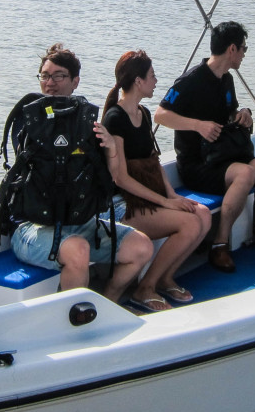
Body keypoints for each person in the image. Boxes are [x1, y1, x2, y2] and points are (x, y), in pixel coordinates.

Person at [10, 44, 155, 305]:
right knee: (78, 250)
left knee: (141, 247)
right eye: (45, 75)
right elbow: (33, 161)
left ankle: (107, 303)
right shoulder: (30, 120)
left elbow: (112, 178)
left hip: (81, 223)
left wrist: (109, 148)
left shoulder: (87, 124)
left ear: (75, 81)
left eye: (58, 76)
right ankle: (73, 320)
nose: (50, 82)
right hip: (34, 227)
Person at [154, 21, 255, 273]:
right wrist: (197, 125)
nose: (244, 54)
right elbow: (160, 115)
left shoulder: (227, 80)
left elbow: (228, 112)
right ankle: (219, 245)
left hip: (223, 154)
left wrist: (241, 114)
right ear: (232, 49)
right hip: (197, 163)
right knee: (246, 173)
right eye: (243, 49)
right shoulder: (190, 81)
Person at [102, 50, 212, 311]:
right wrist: (165, 201)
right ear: (138, 81)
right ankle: (144, 289)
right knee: (188, 223)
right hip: (121, 204)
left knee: (204, 214)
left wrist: (172, 195)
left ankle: (163, 278)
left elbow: (152, 159)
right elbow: (120, 177)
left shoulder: (144, 113)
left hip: (146, 196)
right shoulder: (115, 119)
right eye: (152, 76)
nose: (156, 80)